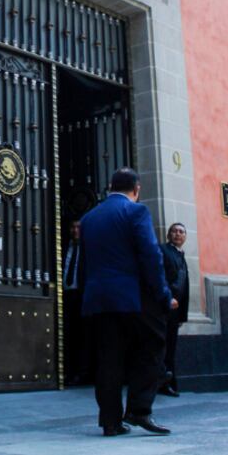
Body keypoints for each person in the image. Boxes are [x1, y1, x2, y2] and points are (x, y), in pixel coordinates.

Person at [80, 167, 175, 437]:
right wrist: (164, 294)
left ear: (110, 187)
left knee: (108, 359)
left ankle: (110, 422)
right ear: (137, 190)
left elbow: (85, 264)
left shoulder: (89, 218)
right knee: (154, 344)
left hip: (98, 298)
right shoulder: (137, 211)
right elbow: (151, 256)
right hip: (131, 296)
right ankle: (139, 408)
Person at [160, 222, 190, 397]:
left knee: (170, 347)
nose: (178, 234)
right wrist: (167, 297)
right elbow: (159, 276)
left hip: (176, 311)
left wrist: (181, 316)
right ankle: (162, 382)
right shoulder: (163, 251)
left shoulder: (181, 255)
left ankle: (169, 382)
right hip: (165, 306)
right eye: (174, 231)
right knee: (162, 346)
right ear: (168, 235)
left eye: (181, 232)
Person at [62, 220, 91, 386]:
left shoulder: (89, 250)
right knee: (68, 334)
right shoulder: (64, 248)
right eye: (72, 227)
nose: (75, 230)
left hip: (83, 296)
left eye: (79, 227)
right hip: (66, 296)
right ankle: (68, 371)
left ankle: (82, 372)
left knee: (83, 335)